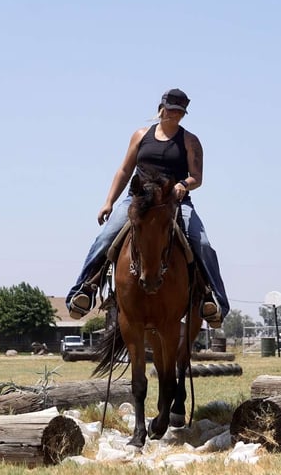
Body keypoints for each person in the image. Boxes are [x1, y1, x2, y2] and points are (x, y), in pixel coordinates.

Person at [66, 88, 229, 328]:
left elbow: (197, 177)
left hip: (174, 202)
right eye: (172, 110)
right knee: (106, 237)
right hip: (138, 201)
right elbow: (124, 171)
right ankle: (84, 290)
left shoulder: (190, 141)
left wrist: (184, 184)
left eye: (180, 112)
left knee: (201, 243)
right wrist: (108, 201)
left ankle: (213, 300)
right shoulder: (141, 135)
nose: (176, 115)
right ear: (161, 108)